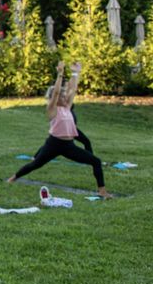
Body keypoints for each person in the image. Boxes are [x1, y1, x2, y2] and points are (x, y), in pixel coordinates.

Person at [7, 61, 113, 198]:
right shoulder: (52, 110)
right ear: (53, 99)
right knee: (35, 164)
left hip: (69, 146)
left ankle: (102, 191)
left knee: (96, 161)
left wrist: (76, 73)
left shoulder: (67, 107)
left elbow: (73, 90)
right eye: (61, 96)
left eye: (64, 95)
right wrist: (60, 74)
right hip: (54, 144)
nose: (64, 97)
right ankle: (13, 178)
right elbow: (56, 92)